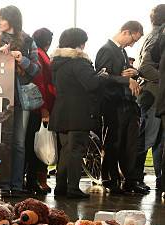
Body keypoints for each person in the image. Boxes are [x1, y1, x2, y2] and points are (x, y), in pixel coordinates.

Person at [50, 28, 127, 198]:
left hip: (61, 112)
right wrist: (103, 75)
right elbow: (91, 84)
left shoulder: (58, 63)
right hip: (78, 113)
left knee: (65, 151)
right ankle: (73, 188)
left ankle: (61, 186)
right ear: (80, 43)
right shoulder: (78, 62)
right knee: (76, 150)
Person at [0, 5, 41, 198]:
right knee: (3, 143)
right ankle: (3, 185)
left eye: (2, 18)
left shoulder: (28, 41)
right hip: (0, 100)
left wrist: (21, 59)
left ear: (11, 19)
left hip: (21, 100)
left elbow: (37, 70)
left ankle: (17, 185)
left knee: (19, 144)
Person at [96, 21, 144, 194]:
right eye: (133, 40)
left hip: (127, 104)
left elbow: (119, 73)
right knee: (113, 142)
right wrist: (125, 79)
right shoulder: (106, 49)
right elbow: (101, 76)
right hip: (113, 104)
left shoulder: (122, 52)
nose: (132, 44)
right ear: (126, 32)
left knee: (129, 143)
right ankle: (110, 178)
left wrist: (134, 72)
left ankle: (128, 179)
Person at [136, 5, 165, 192]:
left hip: (155, 96)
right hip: (154, 97)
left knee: (157, 142)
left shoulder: (155, 35)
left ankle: (159, 179)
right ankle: (135, 178)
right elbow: (145, 67)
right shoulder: (157, 37)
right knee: (147, 140)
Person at [25, 28, 55, 195]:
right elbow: (40, 83)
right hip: (39, 106)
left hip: (38, 105)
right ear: (48, 41)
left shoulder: (38, 54)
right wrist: (43, 108)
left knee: (32, 143)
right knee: (34, 144)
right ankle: (32, 181)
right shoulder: (40, 55)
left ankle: (32, 180)